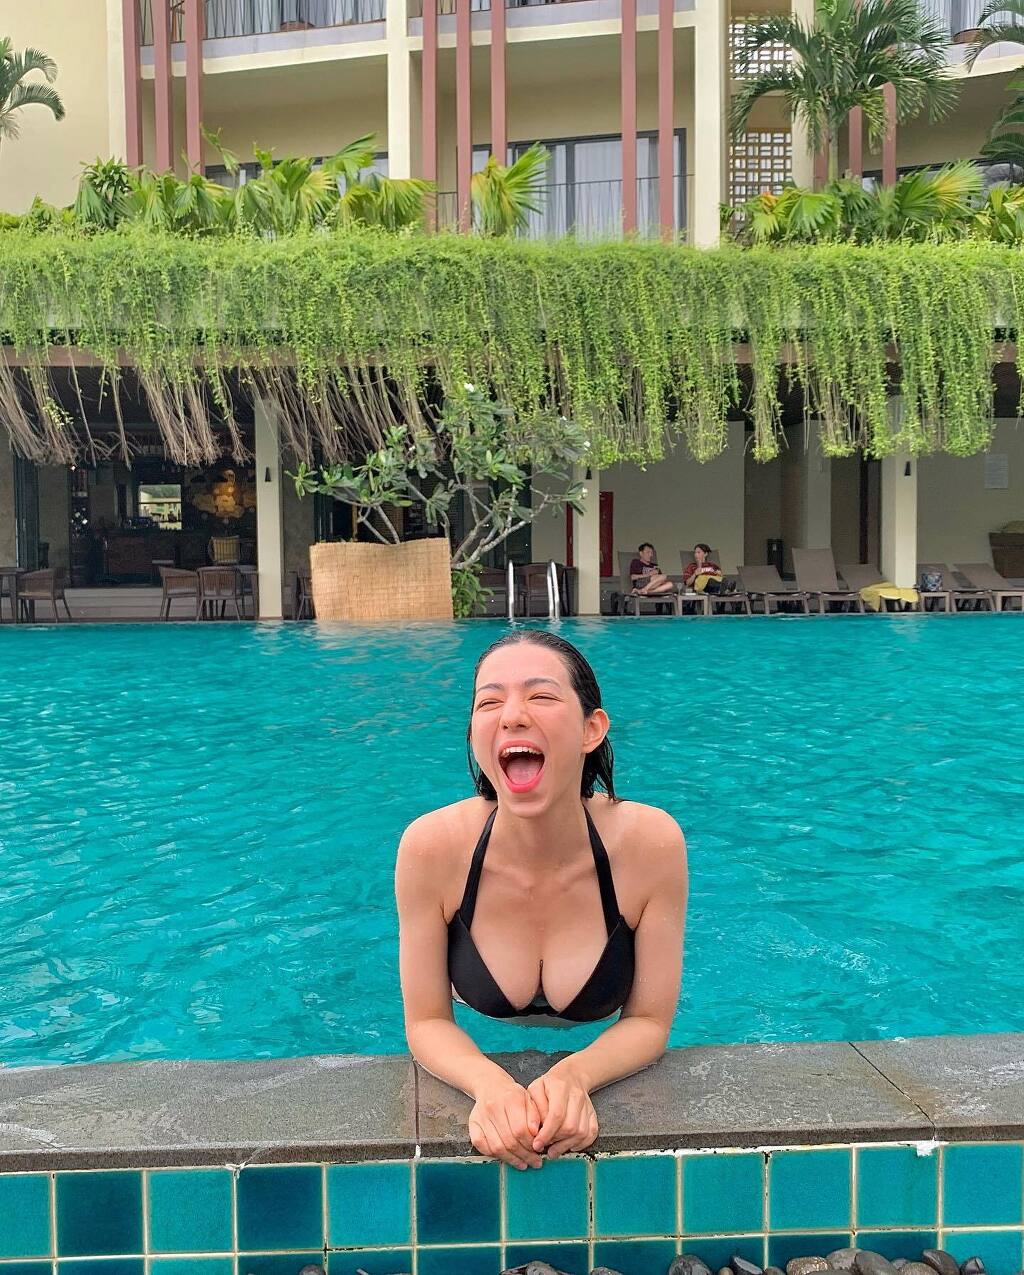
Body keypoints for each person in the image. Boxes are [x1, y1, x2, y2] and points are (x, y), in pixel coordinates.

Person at [396, 632, 688, 1168]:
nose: (511, 716)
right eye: (489, 702)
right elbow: (427, 1021)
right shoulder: (433, 848)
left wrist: (575, 1075)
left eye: (541, 696)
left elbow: (649, 1019)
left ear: (591, 729)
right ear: (474, 734)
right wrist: (489, 1084)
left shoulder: (649, 844)